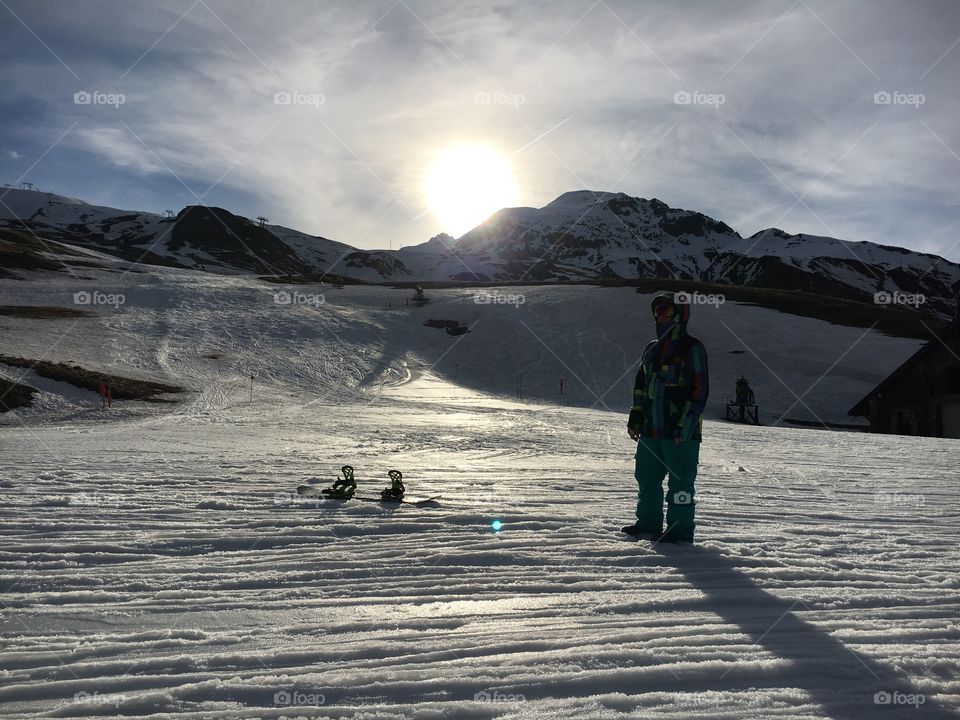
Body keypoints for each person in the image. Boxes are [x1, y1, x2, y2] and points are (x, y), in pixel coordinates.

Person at [623, 292, 709, 543]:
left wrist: (685, 425)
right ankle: (647, 524)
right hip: (651, 429)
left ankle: (679, 532)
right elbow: (641, 386)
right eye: (658, 312)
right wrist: (636, 418)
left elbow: (700, 390)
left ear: (680, 314)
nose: (662, 316)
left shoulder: (692, 347)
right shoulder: (651, 349)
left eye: (668, 311)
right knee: (647, 478)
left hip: (681, 432)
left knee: (681, 484)